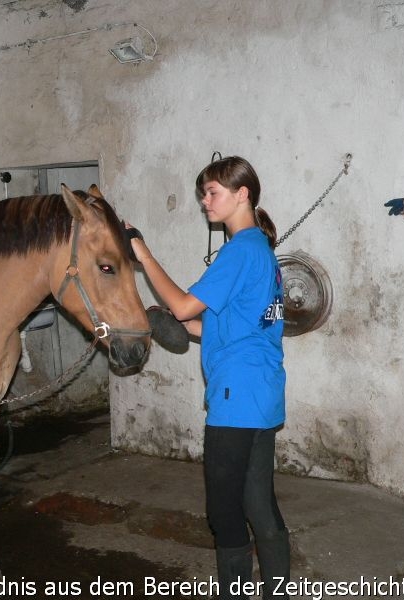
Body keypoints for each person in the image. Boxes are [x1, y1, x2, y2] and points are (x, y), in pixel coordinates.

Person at [128, 156, 289, 600]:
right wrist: (171, 327)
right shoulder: (262, 252)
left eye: (213, 191)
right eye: (203, 193)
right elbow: (223, 325)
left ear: (243, 195)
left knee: (223, 510)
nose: (205, 201)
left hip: (236, 397)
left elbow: (183, 306)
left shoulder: (239, 251)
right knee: (257, 502)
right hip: (263, 394)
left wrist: (142, 252)